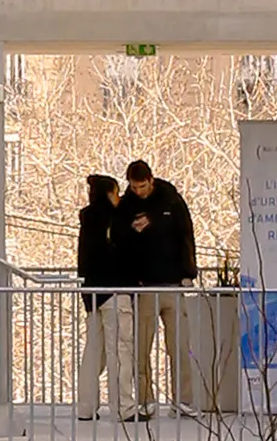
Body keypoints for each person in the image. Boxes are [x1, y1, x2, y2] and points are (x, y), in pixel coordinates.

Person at [117, 157, 202, 419]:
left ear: (151, 181)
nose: (139, 192)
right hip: (144, 287)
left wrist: (188, 273)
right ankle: (146, 400)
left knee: (180, 347)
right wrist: (132, 231)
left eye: (142, 186)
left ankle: (183, 399)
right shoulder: (127, 205)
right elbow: (120, 240)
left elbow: (186, 235)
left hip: (173, 285)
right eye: (134, 187)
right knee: (142, 349)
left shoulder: (171, 200)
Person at [76, 173, 139, 423]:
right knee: (120, 350)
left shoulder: (88, 220)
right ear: (108, 195)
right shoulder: (115, 220)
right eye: (115, 193)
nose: (119, 197)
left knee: (93, 352)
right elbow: (125, 254)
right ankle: (124, 407)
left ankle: (86, 407)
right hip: (115, 292)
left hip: (92, 295)